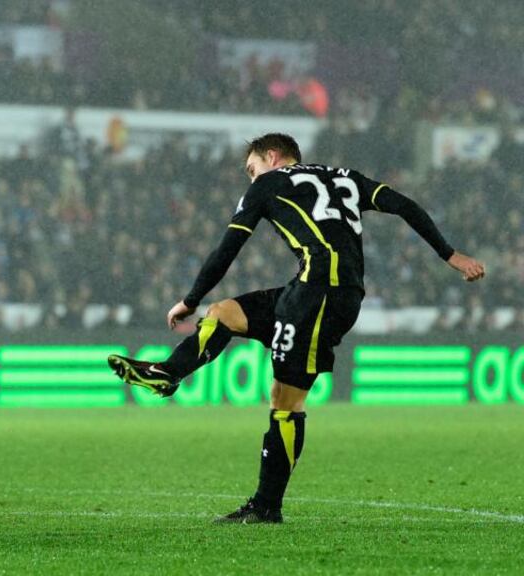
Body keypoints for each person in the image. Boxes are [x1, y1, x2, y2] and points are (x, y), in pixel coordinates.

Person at [107, 133, 485, 524]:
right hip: (315, 291)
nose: (252, 178)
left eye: (252, 169)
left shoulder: (267, 184)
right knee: (223, 313)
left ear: (271, 157)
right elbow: (404, 205)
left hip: (320, 295)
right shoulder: (345, 177)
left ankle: (267, 506)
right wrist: (450, 254)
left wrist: (189, 299)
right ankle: (168, 373)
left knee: (286, 401)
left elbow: (227, 249)